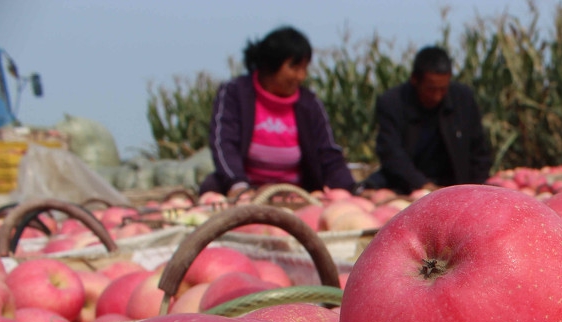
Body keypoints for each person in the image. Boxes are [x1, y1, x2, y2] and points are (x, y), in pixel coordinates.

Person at [199, 26, 355, 196]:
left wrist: (346, 189)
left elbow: (327, 152)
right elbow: (224, 144)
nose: (301, 76)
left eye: (304, 68)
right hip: (245, 190)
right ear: (271, 64)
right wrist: (238, 185)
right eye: (294, 68)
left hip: (297, 194)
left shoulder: (309, 103)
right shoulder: (235, 93)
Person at [370, 46, 493, 193]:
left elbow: (479, 151)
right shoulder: (393, 103)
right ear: (414, 80)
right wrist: (422, 185)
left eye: (443, 89)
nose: (437, 96)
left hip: (454, 185)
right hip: (406, 185)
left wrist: (474, 189)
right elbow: (390, 152)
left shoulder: (463, 99)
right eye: (431, 89)